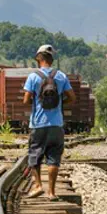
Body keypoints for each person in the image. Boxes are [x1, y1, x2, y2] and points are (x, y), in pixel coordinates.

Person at [22, 44, 76, 201]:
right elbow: (72, 98)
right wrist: (60, 103)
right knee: (54, 157)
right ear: (52, 59)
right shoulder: (61, 76)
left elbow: (26, 100)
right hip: (56, 124)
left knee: (35, 154)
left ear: (39, 58)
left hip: (38, 123)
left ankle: (38, 185)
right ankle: (51, 192)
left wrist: (35, 100)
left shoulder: (33, 76)